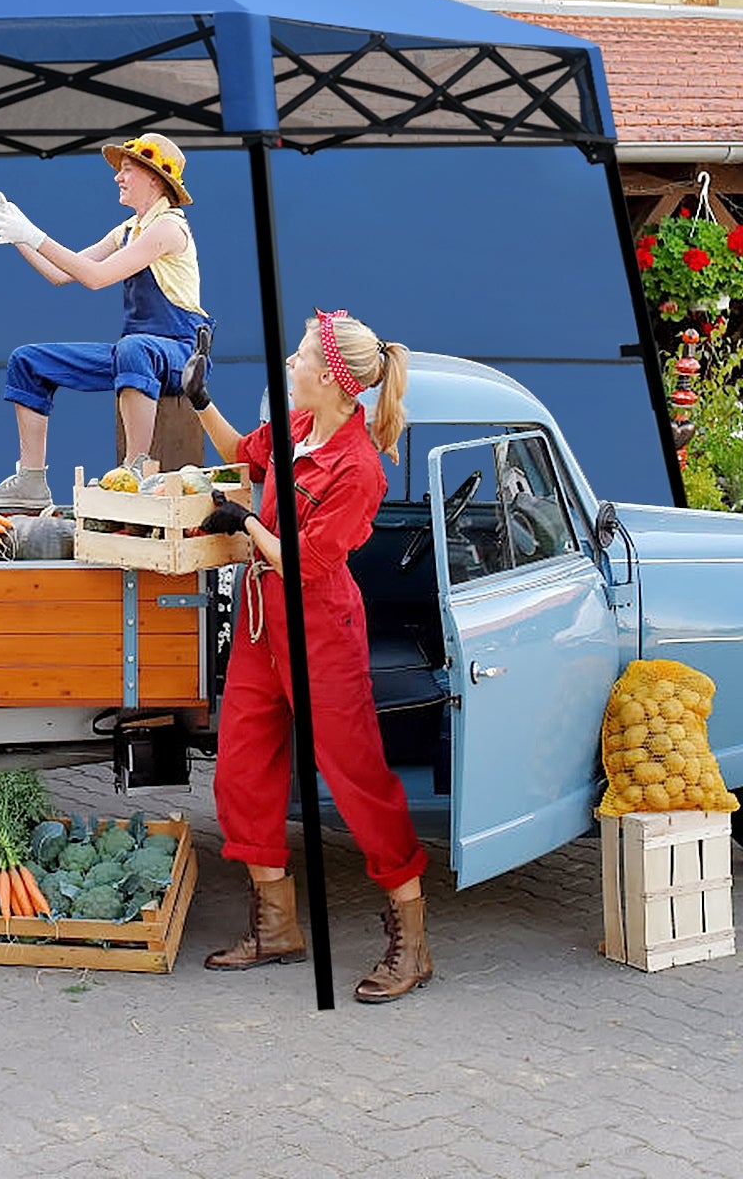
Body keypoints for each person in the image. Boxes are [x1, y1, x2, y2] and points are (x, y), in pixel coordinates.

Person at [184, 309, 432, 1003]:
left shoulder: (359, 469)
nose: (288, 366)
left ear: (329, 377)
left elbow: (308, 561)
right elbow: (244, 451)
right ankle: (275, 927)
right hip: (266, 624)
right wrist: (200, 400)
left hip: (319, 625)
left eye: (296, 358)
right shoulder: (296, 431)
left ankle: (411, 944)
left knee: (356, 779)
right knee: (240, 769)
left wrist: (249, 522)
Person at [0, 133, 214, 510]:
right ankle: (31, 481)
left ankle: (136, 469)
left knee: (133, 349)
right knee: (27, 360)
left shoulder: (169, 228)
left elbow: (96, 279)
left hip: (181, 355)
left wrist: (36, 234)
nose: (118, 177)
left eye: (127, 170)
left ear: (155, 180)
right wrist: (17, 234)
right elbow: (61, 273)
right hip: (138, 353)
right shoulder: (128, 230)